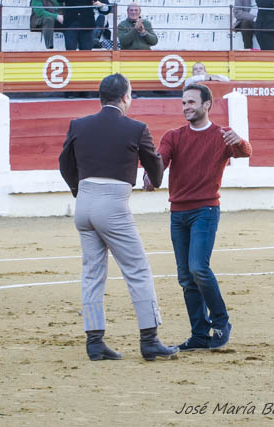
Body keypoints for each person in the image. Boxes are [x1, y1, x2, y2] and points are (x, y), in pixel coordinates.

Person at [59, 73, 179, 362]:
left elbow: (64, 163)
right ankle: (149, 340)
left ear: (100, 98)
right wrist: (154, 178)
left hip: (84, 203)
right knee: (137, 269)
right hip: (113, 205)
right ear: (126, 97)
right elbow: (155, 166)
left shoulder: (79, 124)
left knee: (91, 274)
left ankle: (95, 341)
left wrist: (78, 189)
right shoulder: (136, 128)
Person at [144, 84, 252, 352]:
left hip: (205, 210)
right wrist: (150, 175)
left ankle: (221, 322)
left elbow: (246, 152)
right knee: (186, 277)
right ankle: (200, 334)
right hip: (178, 212)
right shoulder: (174, 136)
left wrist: (238, 140)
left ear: (207, 105)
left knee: (198, 268)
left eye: (191, 102)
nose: (186, 107)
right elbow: (161, 162)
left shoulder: (221, 135)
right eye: (183, 103)